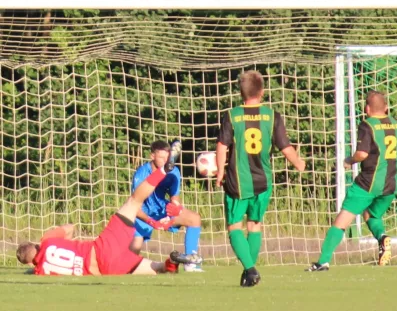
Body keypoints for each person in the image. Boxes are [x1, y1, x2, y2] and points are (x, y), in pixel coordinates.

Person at [16, 163, 200, 276]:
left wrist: (32, 269)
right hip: (102, 248)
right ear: (35, 244)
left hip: (108, 270)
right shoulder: (46, 241)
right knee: (134, 201)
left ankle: (171, 263)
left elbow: (37, 269)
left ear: (31, 263)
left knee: (157, 268)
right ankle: (163, 170)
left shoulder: (42, 271)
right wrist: (68, 241)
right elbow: (70, 227)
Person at [307, 90, 397, 271]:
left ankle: (322, 262)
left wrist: (349, 161)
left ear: (367, 109)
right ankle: (382, 238)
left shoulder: (367, 125)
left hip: (368, 183)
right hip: (392, 184)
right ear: (387, 108)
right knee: (371, 214)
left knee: (341, 222)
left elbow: (362, 154)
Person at [216, 70, 305, 287]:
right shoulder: (272, 115)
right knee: (254, 225)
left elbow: (222, 145)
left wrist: (220, 172)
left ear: (240, 92)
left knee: (234, 227)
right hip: (263, 181)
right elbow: (285, 146)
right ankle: (250, 272)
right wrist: (299, 163)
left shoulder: (232, 115)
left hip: (238, 182)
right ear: (263, 92)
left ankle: (250, 268)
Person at [130, 140, 203, 272]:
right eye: (161, 157)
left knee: (194, 219)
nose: (165, 161)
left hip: (162, 211)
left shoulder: (173, 171)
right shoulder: (141, 174)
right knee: (133, 252)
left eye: (167, 157)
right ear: (152, 156)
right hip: (142, 214)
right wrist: (152, 222)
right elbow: (134, 206)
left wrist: (176, 209)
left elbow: (174, 197)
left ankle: (190, 263)